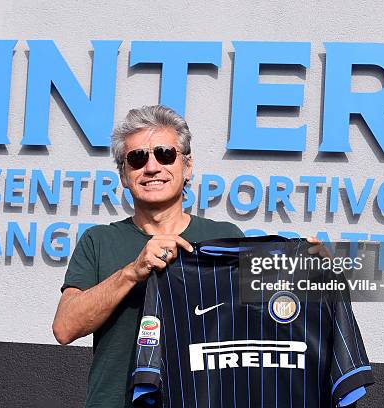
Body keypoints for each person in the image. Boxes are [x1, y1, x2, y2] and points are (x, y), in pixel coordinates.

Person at [52, 105, 245, 408]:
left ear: (187, 166)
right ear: (124, 176)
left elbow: (268, 312)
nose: (152, 167)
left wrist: (307, 267)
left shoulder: (225, 236)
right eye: (138, 158)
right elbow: (64, 328)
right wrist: (133, 271)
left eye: (165, 154)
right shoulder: (99, 241)